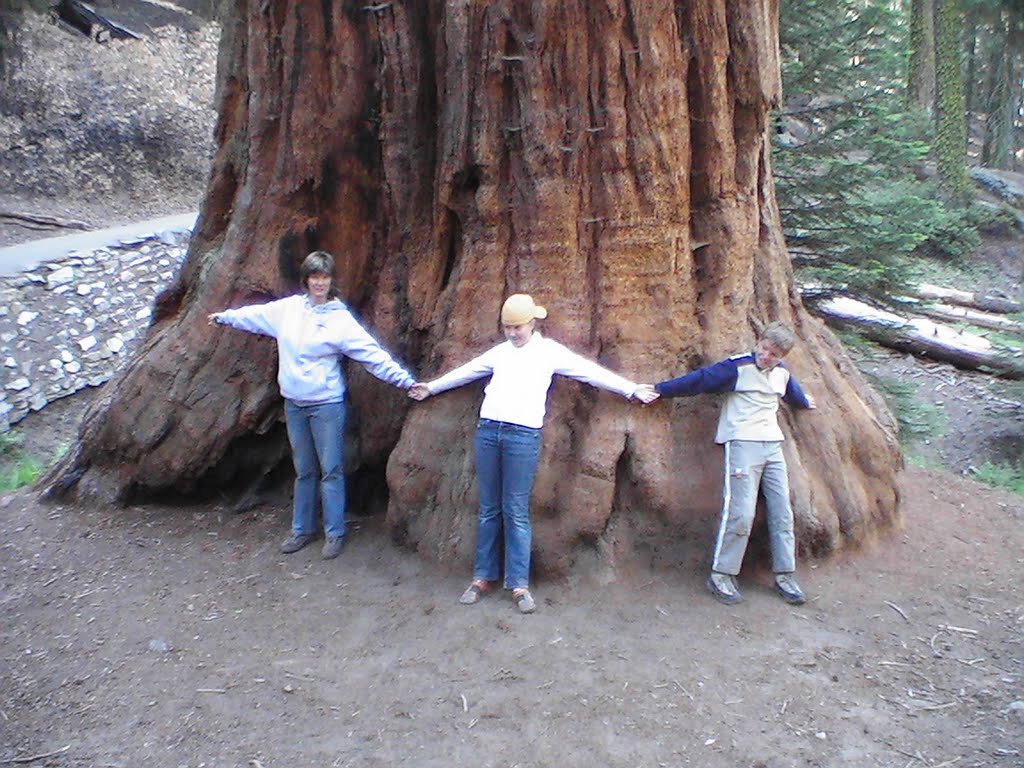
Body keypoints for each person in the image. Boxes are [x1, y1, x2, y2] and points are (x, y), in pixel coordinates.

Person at [408, 294, 659, 614]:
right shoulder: (500, 353)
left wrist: (630, 388)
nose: (513, 333)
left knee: (515, 509)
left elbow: (588, 371)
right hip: (488, 432)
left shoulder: (549, 352)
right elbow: (467, 372)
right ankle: (482, 577)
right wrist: (431, 387)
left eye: (518, 327)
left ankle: (518, 583)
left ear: (533, 323)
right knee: (488, 508)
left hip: (522, 437)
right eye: (508, 327)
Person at [208, 251, 417, 560]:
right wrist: (224, 317)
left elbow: (371, 354)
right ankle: (301, 529)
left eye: (324, 277)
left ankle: (334, 532)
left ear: (331, 281)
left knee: (330, 469)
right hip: (295, 403)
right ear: (305, 280)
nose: (319, 283)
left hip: (326, 406)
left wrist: (405, 381)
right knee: (304, 469)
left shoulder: (339, 319)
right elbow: (255, 316)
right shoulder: (288, 310)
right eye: (314, 277)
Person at [653, 321, 816, 606]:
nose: (766, 357)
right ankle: (722, 574)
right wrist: (659, 390)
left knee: (783, 512)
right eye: (764, 349)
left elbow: (794, 393)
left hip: (773, 446)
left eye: (774, 354)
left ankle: (785, 574)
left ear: (783, 357)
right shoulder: (737, 368)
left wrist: (805, 402)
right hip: (742, 444)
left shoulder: (782, 374)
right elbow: (699, 381)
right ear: (759, 341)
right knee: (740, 512)